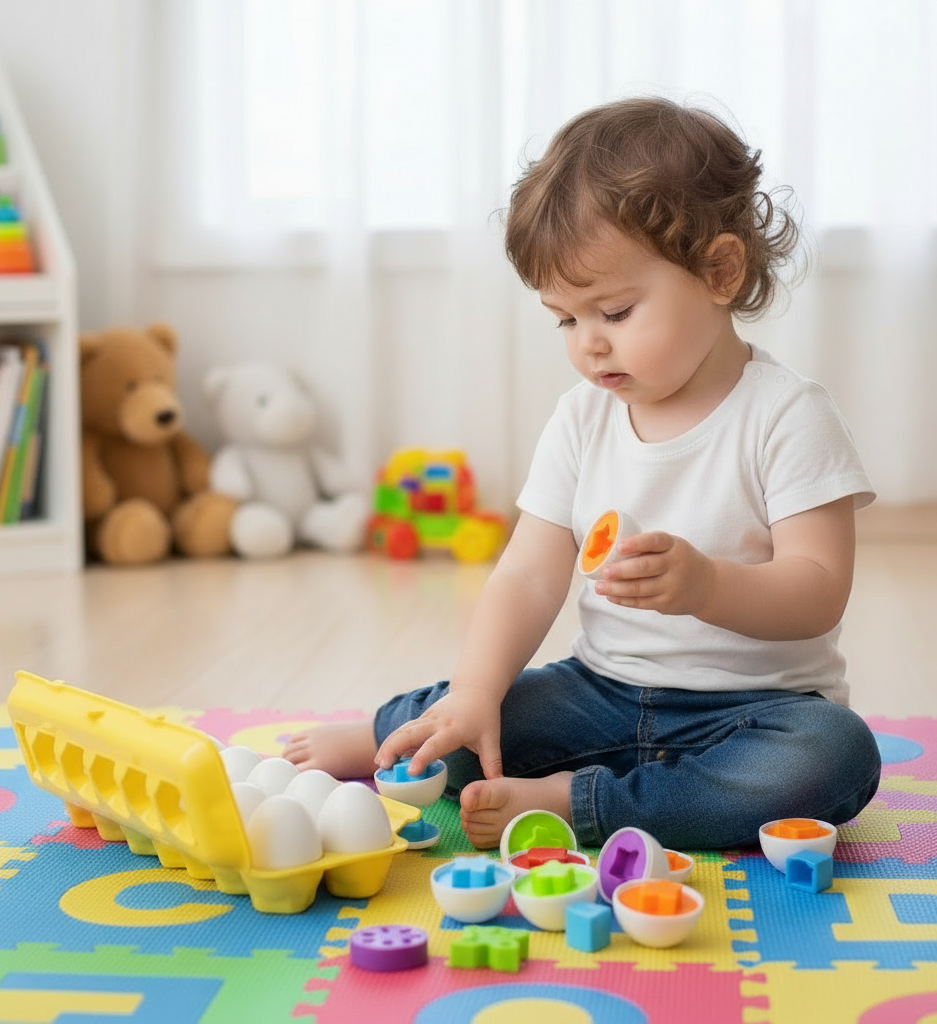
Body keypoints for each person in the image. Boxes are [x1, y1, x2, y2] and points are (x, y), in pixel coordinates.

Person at [283, 96, 882, 851]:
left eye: (616, 311)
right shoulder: (580, 418)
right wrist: (476, 692)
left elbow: (818, 591)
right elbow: (529, 578)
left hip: (758, 712)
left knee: (834, 761)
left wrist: (706, 586)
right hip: (600, 694)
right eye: (566, 319)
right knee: (472, 713)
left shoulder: (789, 416)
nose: (588, 346)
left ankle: (578, 802)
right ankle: (384, 733)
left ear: (719, 271)